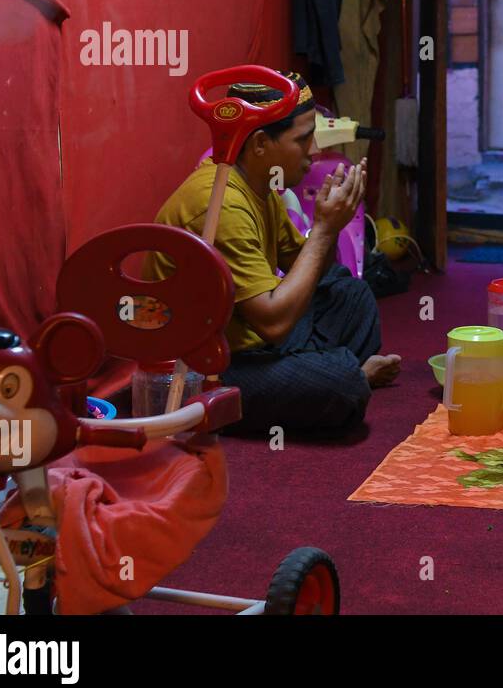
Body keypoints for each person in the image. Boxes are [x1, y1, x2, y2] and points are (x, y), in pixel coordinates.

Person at [145, 71, 400, 434]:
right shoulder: (221, 203)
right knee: (341, 384)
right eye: (303, 139)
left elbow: (311, 270)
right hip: (208, 367)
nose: (314, 151)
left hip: (257, 339)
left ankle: (320, 376)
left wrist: (333, 225)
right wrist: (325, 228)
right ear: (261, 144)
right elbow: (275, 323)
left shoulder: (258, 183)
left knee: (350, 294)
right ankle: (340, 378)